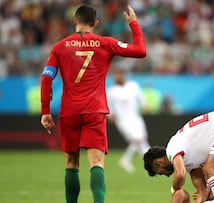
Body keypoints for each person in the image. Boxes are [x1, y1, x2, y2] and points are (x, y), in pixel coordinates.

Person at [40, 4, 146, 203]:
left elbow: (46, 78)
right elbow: (140, 51)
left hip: (69, 112)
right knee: (96, 162)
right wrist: (134, 24)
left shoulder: (60, 47)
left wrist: (45, 111)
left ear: (75, 21)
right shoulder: (105, 43)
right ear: (95, 23)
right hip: (94, 111)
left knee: (71, 163)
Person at [107, 68, 150, 173]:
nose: (117, 76)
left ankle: (128, 160)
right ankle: (151, 160)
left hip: (136, 117)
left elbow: (141, 97)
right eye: (115, 75)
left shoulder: (133, 85)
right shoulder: (111, 91)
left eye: (119, 74)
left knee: (142, 139)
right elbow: (107, 105)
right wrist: (110, 115)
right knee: (138, 139)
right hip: (122, 120)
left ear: (123, 75)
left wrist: (145, 105)